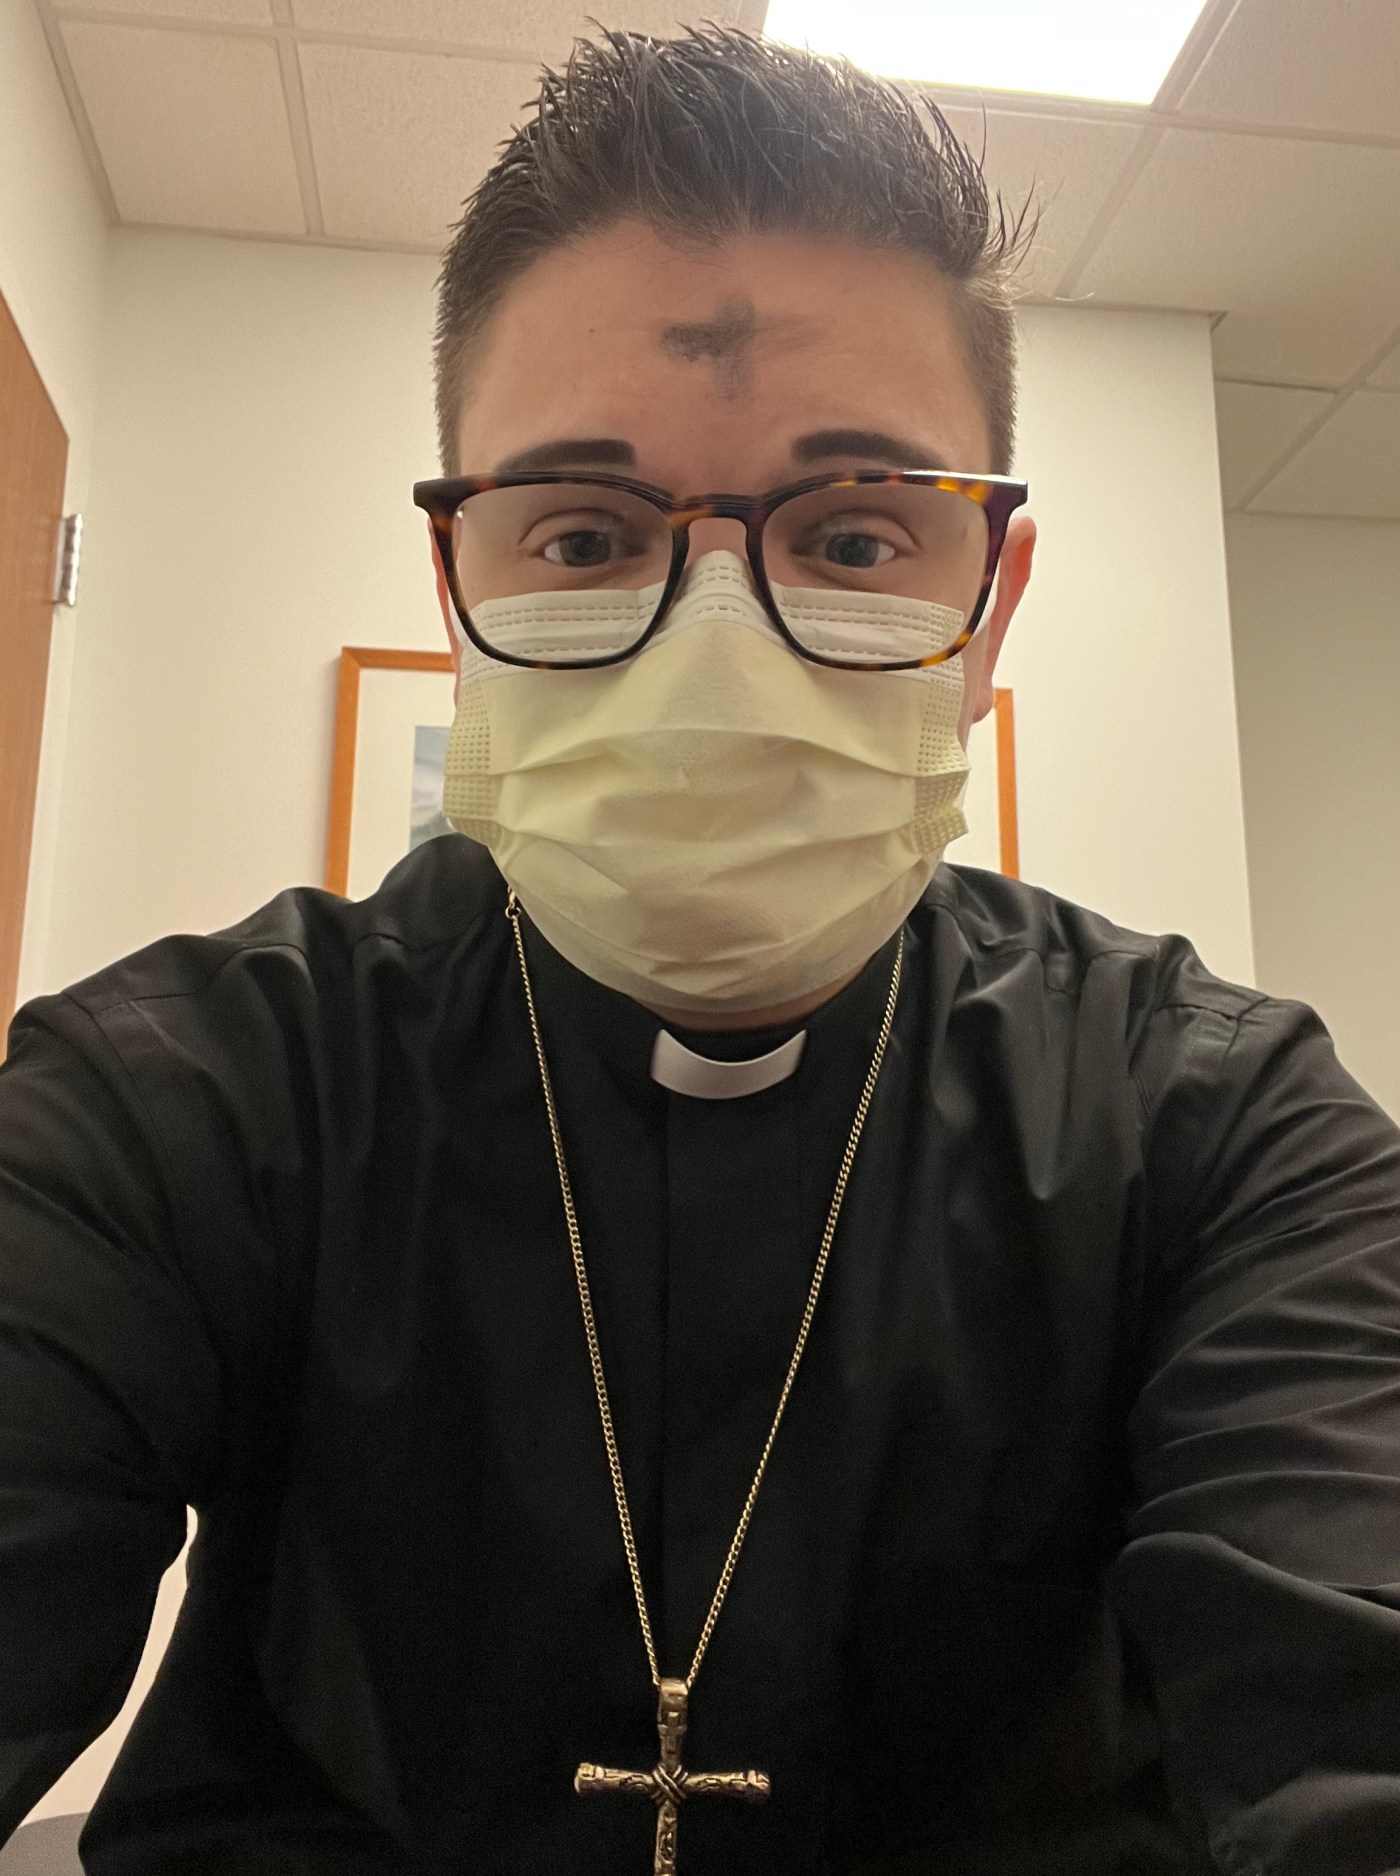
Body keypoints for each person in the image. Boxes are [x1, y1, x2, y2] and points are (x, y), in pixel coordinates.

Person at [2, 23, 1399, 1876]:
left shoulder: (1224, 1131)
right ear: (459, 596)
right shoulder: (174, 1103)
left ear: (991, 613)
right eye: (585, 532)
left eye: (856, 534)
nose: (716, 651)